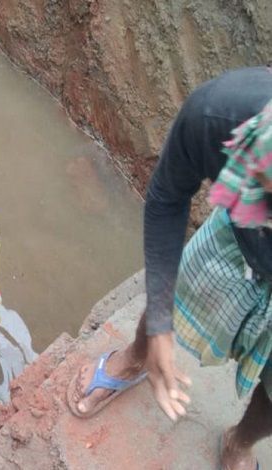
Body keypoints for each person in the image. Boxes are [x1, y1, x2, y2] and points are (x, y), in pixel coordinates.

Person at [67, 67, 272, 470]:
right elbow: (166, 198)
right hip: (239, 239)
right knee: (175, 293)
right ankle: (137, 356)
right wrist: (160, 325)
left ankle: (241, 441)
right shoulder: (218, 115)